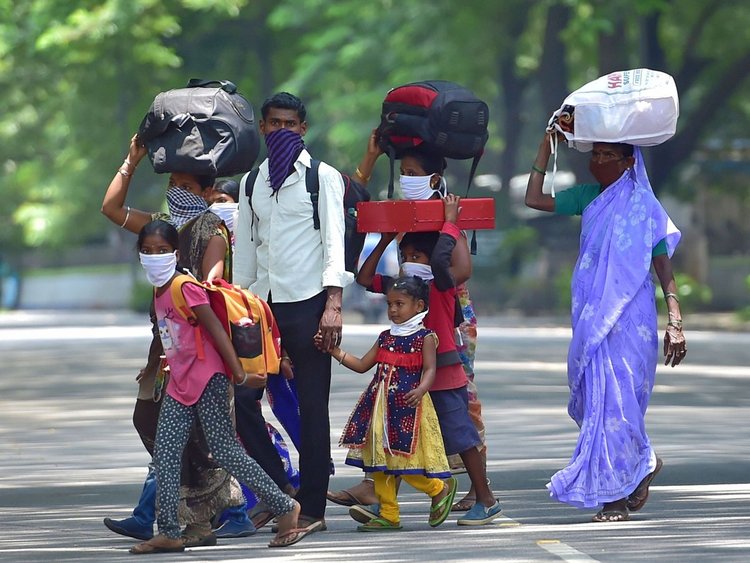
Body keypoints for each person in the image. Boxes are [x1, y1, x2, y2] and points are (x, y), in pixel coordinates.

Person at [525, 132, 687, 522]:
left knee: (620, 401)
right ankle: (641, 464)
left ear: (629, 161)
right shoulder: (587, 196)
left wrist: (676, 321)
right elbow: (533, 199)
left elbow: (662, 265)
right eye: (594, 154)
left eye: (607, 155)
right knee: (600, 401)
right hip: (592, 314)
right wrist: (546, 146)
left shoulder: (644, 206)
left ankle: (616, 496)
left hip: (633, 319)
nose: (597, 160)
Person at [128, 219, 318, 553]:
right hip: (180, 383)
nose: (154, 257)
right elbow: (166, 335)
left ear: (174, 253)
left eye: (161, 251)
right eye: (147, 251)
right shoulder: (158, 290)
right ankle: (170, 530)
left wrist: (238, 373)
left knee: (227, 451)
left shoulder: (184, 287)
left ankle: (287, 506)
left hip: (209, 380)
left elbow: (215, 329)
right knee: (167, 453)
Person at [101, 135, 250, 545]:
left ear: (207, 192)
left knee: (204, 441)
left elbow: (213, 282)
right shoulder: (163, 227)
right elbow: (111, 209)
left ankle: (230, 511)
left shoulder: (211, 227)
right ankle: (186, 517)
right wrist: (131, 161)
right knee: (162, 428)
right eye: (174, 185)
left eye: (187, 187)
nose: (178, 193)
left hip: (196, 353)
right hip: (166, 346)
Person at [327, 143, 490, 513]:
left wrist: (448, 227)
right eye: (404, 173)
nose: (407, 180)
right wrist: (387, 234)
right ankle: (382, 495)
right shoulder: (407, 233)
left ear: (435, 178)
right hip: (408, 348)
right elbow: (370, 277)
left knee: (460, 417)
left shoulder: (444, 249)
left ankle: (479, 490)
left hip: (445, 334)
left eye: (415, 173)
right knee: (397, 418)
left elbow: (457, 272)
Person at [233, 92, 353, 530]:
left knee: (312, 406)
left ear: (303, 129)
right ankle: (280, 489)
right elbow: (246, 252)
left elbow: (335, 244)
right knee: (244, 398)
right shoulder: (251, 183)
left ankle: (314, 509)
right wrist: (239, 307)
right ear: (263, 128)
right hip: (262, 310)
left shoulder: (321, 178)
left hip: (310, 305)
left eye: (290, 124)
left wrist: (334, 305)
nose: (282, 131)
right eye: (274, 124)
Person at [354, 194, 501, 526]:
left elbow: (448, 265)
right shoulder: (404, 288)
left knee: (461, 437)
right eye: (405, 256)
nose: (409, 261)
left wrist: (451, 224)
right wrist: (385, 241)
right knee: (395, 435)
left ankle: (486, 499)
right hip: (407, 375)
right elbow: (364, 279)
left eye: (416, 255)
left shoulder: (441, 285)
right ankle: (385, 504)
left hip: (445, 372)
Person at [318, 275, 458, 530]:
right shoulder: (385, 337)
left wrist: (421, 389)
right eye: (389, 304)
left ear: (419, 306)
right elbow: (361, 365)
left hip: (409, 408)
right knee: (379, 464)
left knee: (403, 462)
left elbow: (430, 369)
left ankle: (438, 488)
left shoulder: (425, 337)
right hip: (380, 408)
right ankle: (390, 515)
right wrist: (334, 351)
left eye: (399, 304)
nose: (393, 310)